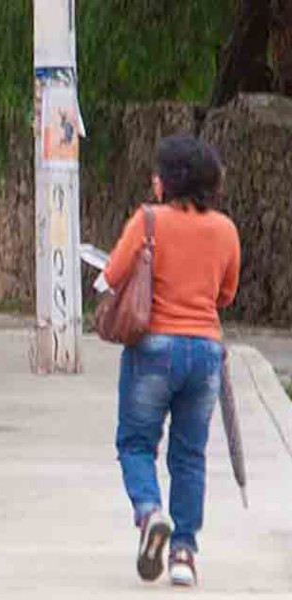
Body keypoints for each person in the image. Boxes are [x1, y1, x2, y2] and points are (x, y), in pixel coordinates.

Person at [104, 135, 241, 587]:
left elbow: (111, 277)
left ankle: (149, 514)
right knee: (189, 456)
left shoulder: (148, 221)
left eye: (159, 172)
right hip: (204, 352)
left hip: (153, 349)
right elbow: (226, 294)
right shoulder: (225, 230)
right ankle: (184, 554)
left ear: (170, 181)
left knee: (136, 444)